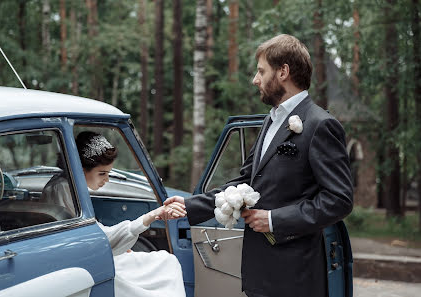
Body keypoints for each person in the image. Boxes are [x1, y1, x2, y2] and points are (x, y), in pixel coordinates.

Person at [165, 34, 354, 297]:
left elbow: (339, 200)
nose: (255, 80)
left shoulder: (320, 125)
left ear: (283, 72)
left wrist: (274, 220)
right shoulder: (270, 122)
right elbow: (244, 183)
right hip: (259, 271)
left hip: (295, 276)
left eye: (261, 71)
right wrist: (189, 205)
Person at [42, 131, 187, 297]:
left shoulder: (67, 186)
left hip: (88, 254)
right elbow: (95, 237)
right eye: (102, 173)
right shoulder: (62, 189)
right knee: (165, 264)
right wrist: (150, 216)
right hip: (80, 262)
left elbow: (94, 231)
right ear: (80, 170)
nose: (107, 179)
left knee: (165, 261)